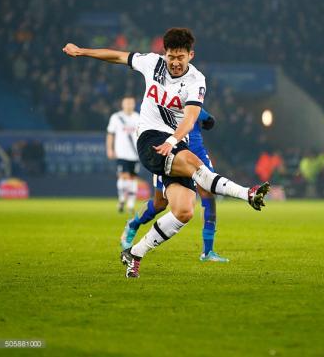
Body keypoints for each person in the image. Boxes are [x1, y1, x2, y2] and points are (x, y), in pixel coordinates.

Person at [63, 27, 270, 278]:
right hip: (150, 139)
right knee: (195, 168)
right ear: (165, 53)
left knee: (184, 211)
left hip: (173, 142)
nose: (174, 62)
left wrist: (173, 140)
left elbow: (191, 117)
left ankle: (135, 253)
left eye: (180, 57)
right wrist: (82, 51)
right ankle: (247, 193)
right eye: (171, 56)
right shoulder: (152, 63)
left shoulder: (196, 80)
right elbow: (117, 56)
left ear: (190, 55)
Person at [120, 106, 229, 262]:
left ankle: (207, 251)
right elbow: (208, 122)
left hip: (197, 152)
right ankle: (134, 224)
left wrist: (202, 117)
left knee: (208, 196)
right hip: (170, 153)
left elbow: (209, 121)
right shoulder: (164, 102)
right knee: (160, 203)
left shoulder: (191, 100)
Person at [106, 96, 140, 214]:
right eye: (127, 103)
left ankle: (130, 204)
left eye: (131, 103)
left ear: (134, 104)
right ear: (122, 104)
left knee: (133, 178)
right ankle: (121, 200)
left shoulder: (138, 117)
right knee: (123, 176)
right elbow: (110, 134)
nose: (129, 105)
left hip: (135, 154)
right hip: (121, 153)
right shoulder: (116, 117)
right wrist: (110, 149)